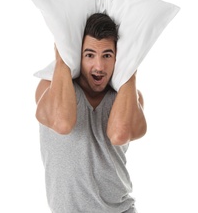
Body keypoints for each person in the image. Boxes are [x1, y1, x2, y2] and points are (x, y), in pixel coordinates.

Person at [35, 13, 147, 213]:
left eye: (107, 55)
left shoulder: (128, 97)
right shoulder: (50, 87)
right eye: (89, 55)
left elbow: (120, 134)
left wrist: (131, 65)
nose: (99, 66)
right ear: (77, 55)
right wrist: (62, 55)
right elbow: (62, 123)